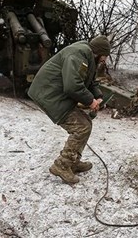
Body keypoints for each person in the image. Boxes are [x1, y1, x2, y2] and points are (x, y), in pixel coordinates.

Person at [28, 35, 111, 185]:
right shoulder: (78, 55)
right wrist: (90, 101)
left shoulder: (87, 56)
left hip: (56, 93)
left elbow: (90, 81)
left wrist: (97, 96)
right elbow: (72, 86)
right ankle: (62, 165)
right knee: (81, 127)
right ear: (99, 53)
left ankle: (72, 161)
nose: (105, 60)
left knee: (85, 123)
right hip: (49, 94)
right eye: (105, 56)